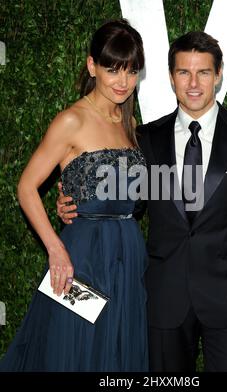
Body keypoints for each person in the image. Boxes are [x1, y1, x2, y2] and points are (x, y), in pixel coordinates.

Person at [57, 31, 227, 372]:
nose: (193, 83)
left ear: (218, 74)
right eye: (183, 72)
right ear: (171, 77)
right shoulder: (145, 139)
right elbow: (130, 204)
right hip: (164, 299)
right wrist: (78, 205)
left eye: (203, 72)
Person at [0, 19, 148, 372]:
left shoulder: (126, 121)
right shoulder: (71, 120)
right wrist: (55, 249)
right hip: (82, 259)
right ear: (91, 66)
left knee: (117, 355)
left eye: (131, 71)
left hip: (127, 257)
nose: (123, 82)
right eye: (113, 69)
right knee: (77, 351)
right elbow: (26, 187)